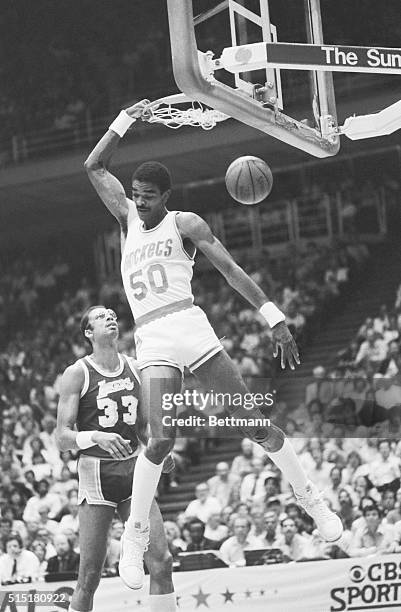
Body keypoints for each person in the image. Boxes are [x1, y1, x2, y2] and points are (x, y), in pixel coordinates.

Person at [84, 100, 343, 589]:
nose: (139, 202)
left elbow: (230, 270)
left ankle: (309, 496)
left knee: (253, 424)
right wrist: (123, 119)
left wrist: (274, 317)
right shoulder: (125, 219)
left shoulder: (186, 224)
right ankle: (135, 535)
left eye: (147, 196)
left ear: (165, 196)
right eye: (135, 195)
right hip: (153, 335)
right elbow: (94, 165)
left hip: (191, 325)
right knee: (159, 439)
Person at [56, 305, 177, 612]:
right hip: (96, 476)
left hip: (135, 471)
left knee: (161, 561)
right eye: (99, 316)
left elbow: (143, 428)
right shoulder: (77, 373)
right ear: (88, 333)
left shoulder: (136, 367)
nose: (109, 316)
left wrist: (160, 449)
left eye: (111, 313)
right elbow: (62, 437)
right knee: (89, 576)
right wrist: (95, 436)